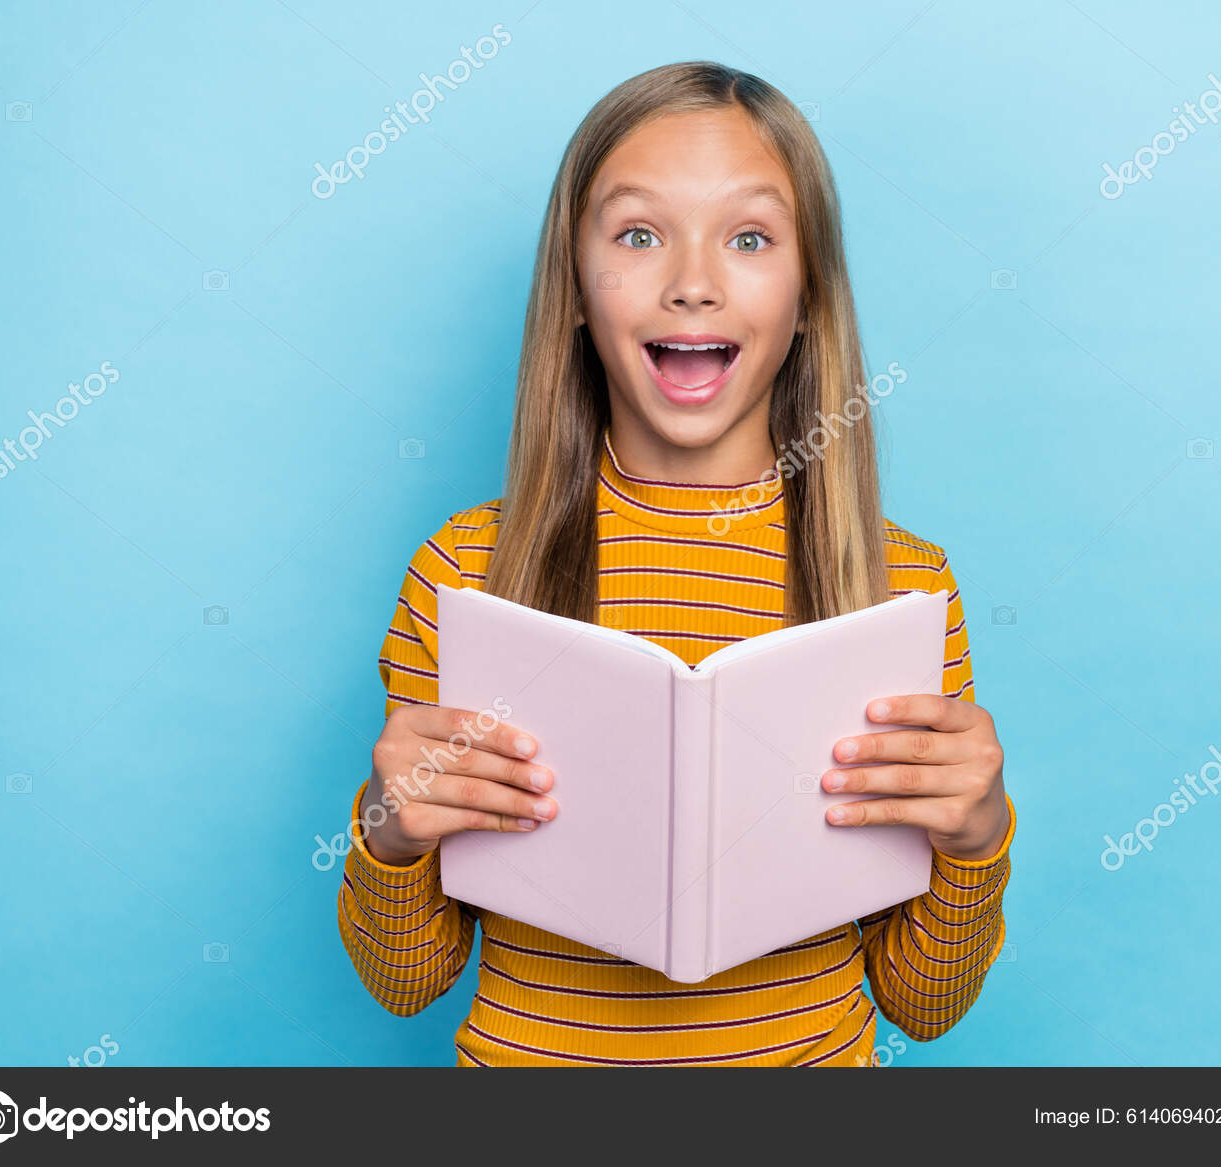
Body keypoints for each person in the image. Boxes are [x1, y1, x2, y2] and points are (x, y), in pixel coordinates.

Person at [337, 60, 1015, 1067]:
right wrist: (389, 832)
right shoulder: (465, 572)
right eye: (638, 234)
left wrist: (977, 840)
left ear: (809, 297)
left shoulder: (900, 590)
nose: (693, 282)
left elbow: (923, 1006)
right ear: (575, 288)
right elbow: (405, 983)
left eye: (749, 238)